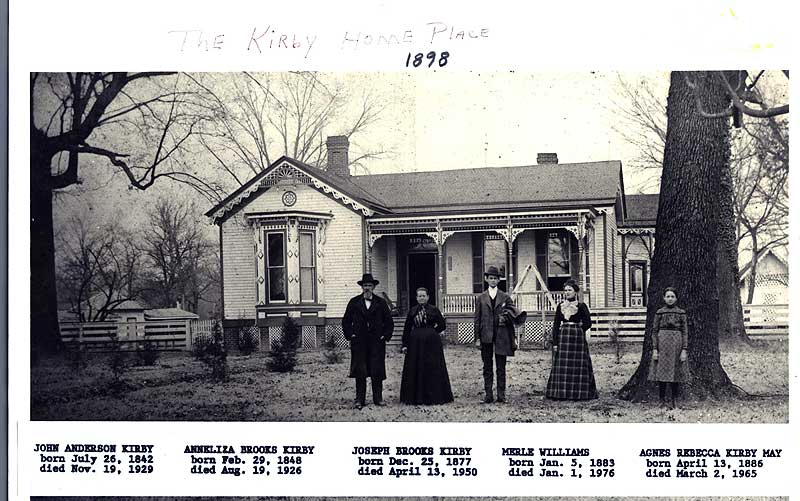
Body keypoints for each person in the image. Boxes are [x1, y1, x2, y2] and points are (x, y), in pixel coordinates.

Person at [342, 273, 394, 409]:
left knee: (377, 370)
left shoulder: (381, 303)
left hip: (377, 342)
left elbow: (389, 322)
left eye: (370, 286)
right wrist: (351, 335)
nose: (367, 288)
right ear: (361, 287)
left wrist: (385, 335)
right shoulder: (354, 302)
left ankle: (378, 399)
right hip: (359, 343)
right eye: (365, 285)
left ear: (374, 287)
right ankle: (360, 400)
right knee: (360, 371)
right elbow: (346, 321)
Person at [545, 279, 598, 400]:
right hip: (564, 338)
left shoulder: (581, 306)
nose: (567, 292)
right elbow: (556, 324)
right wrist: (555, 341)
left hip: (577, 340)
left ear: (575, 292)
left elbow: (588, 323)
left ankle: (579, 394)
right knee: (563, 366)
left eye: (570, 290)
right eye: (566, 290)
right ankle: (561, 393)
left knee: (578, 366)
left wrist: (578, 330)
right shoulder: (560, 306)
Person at [399, 287, 454, 405]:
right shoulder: (412, 311)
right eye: (419, 296)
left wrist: (432, 331)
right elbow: (407, 328)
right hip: (415, 344)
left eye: (423, 296)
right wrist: (405, 344)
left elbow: (442, 325)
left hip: (431, 343)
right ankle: (415, 397)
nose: (421, 298)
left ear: (428, 297)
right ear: (416, 298)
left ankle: (433, 396)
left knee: (432, 367)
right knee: (415, 367)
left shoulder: (434, 310)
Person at [473, 266, 518, 403]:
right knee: (487, 366)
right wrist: (477, 338)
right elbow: (477, 319)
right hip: (486, 335)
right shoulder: (481, 298)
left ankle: (501, 395)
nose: (493, 280)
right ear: (486, 279)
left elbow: (513, 315)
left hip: (501, 335)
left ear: (499, 280)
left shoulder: (505, 297)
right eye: (490, 278)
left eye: (495, 278)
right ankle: (488, 395)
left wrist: (506, 319)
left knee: (500, 367)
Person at [648, 287, 690, 409]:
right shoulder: (659, 313)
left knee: (675, 373)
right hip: (662, 346)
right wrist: (655, 349)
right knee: (661, 373)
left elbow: (685, 332)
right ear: (664, 298)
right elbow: (654, 331)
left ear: (676, 298)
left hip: (677, 346)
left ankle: (674, 400)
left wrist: (684, 349)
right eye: (668, 296)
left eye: (672, 296)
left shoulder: (681, 313)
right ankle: (661, 401)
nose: (670, 299)